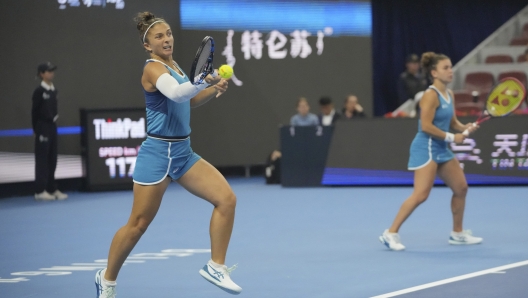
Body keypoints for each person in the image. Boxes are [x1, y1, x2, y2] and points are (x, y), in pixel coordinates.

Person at [94, 12, 240, 298]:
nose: (167, 39)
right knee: (138, 225)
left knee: (226, 199)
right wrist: (201, 82)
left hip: (184, 153)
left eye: (169, 33)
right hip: (158, 153)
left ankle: (215, 266)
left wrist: (211, 88)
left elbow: (190, 100)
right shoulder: (152, 68)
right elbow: (175, 94)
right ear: (148, 45)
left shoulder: (175, 66)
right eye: (159, 36)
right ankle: (107, 279)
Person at [379, 52, 482, 251]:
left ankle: (457, 233)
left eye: (451, 67)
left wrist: (463, 127)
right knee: (421, 195)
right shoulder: (429, 96)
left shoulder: (449, 94)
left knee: (461, 188)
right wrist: (453, 137)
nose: (450, 71)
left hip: (441, 147)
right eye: (446, 68)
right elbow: (425, 126)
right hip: (426, 146)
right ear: (434, 72)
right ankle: (390, 233)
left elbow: (451, 122)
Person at [32, 62, 68, 201]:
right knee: (42, 159)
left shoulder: (54, 90)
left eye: (52, 70)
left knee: (52, 158)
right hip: (42, 127)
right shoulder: (39, 91)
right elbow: (34, 112)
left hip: (52, 126)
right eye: (48, 71)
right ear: (42, 74)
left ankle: (51, 188)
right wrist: (37, 129)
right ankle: (40, 190)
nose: (51, 73)